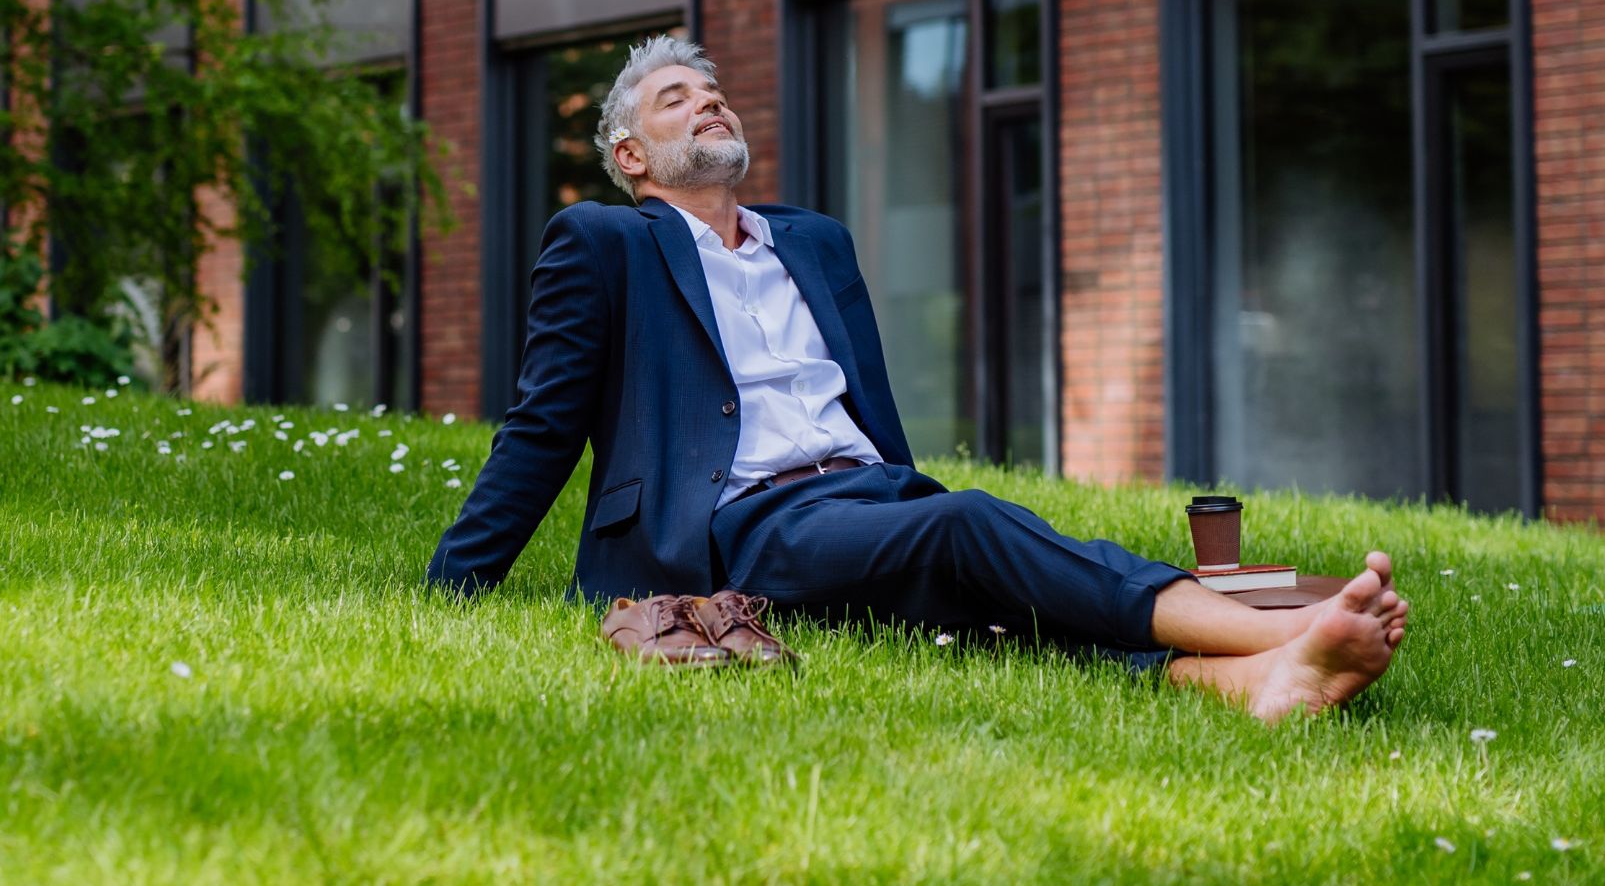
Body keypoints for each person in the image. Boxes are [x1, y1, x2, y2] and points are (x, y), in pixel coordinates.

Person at [425, 37, 1409, 722]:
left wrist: (898, 502)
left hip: (869, 496)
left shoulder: (813, 239)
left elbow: (870, 409)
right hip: (745, 525)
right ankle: (1268, 633)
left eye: (712, 90)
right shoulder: (604, 242)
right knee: (971, 528)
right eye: (675, 98)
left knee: (990, 601)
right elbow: (541, 426)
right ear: (631, 156)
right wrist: (448, 593)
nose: (709, 100)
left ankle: (1262, 682)